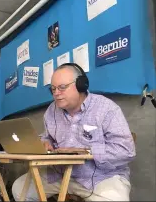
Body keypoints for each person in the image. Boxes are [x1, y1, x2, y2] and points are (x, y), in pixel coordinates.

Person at [12, 63, 136, 201]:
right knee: (19, 190)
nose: (56, 93)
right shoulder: (51, 111)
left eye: (62, 87)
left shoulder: (107, 109)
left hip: (100, 177)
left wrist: (86, 151)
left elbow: (125, 150)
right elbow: (47, 136)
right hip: (60, 174)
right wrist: (44, 142)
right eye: (53, 89)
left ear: (81, 85)